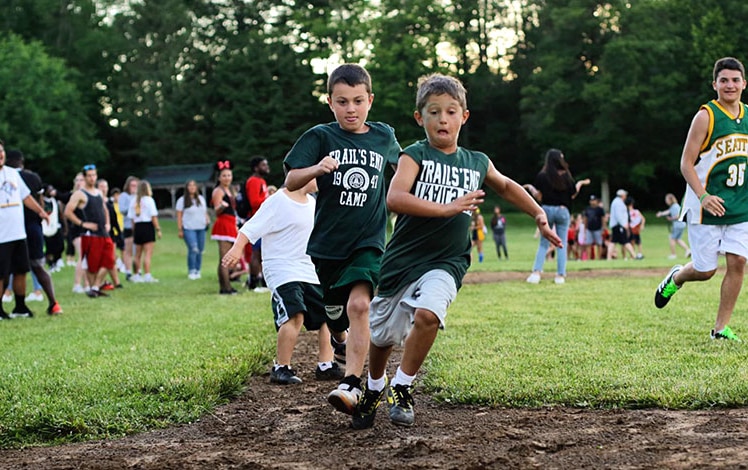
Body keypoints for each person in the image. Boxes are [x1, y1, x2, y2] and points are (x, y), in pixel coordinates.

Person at [352, 73, 562, 429]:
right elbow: (395, 197)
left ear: (464, 116)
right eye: (434, 112)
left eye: (451, 112)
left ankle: (402, 386)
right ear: (420, 118)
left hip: (447, 263)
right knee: (383, 336)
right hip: (402, 262)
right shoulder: (414, 155)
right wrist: (448, 208)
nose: (443, 119)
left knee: (429, 315)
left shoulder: (476, 161)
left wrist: (539, 214)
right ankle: (374, 386)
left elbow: (508, 186)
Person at [283, 63, 401, 415]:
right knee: (334, 313)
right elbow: (291, 180)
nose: (351, 109)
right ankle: (337, 335)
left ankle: (351, 382)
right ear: (330, 103)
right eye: (343, 101)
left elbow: (404, 171)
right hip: (327, 247)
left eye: (358, 101)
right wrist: (317, 168)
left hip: (369, 242)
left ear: (370, 100)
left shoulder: (383, 136)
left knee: (360, 306)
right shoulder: (320, 136)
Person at [655, 56, 748, 342]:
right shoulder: (706, 116)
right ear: (715, 84)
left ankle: (720, 330)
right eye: (724, 80)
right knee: (706, 270)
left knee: (738, 263)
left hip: (739, 206)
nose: (730, 85)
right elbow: (686, 163)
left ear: (744, 83)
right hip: (705, 206)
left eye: (735, 80)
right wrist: (704, 195)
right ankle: (676, 278)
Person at [222, 179, 346, 385]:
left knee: (328, 314)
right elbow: (249, 228)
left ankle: (326, 365)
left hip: (308, 269)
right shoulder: (277, 201)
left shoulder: (313, 203)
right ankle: (281, 368)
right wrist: (236, 249)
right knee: (295, 314)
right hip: (281, 268)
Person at [4, 150, 63, 315]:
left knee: (7, 270)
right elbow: (38, 200)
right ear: (22, 161)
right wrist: (42, 213)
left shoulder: (10, 176)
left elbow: (26, 197)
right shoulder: (33, 177)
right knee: (37, 266)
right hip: (33, 228)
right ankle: (53, 303)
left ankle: (9, 305)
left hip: (11, 229)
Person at [0, 140, 51, 319]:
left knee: (21, 270)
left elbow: (26, 196)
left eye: (2, 151)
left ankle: (20, 307)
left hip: (18, 233)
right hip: (1, 235)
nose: (0, 155)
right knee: (1, 274)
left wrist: (41, 211)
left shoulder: (13, 174)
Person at [524, 149, 589, 284]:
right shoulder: (566, 176)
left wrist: (530, 188)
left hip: (546, 211)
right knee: (561, 243)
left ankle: (536, 273)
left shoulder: (542, 176)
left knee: (544, 243)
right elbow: (572, 194)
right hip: (563, 210)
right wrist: (580, 184)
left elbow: (539, 196)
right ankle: (560, 276)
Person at [64, 164, 116, 298]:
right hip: (90, 234)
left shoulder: (99, 192)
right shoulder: (80, 194)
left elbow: (104, 208)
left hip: (103, 232)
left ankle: (95, 286)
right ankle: (93, 288)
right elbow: (68, 212)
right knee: (92, 265)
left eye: (94, 175)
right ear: (85, 177)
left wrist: (108, 223)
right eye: (89, 176)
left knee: (110, 260)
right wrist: (83, 224)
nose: (92, 178)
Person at [211, 160, 239, 295]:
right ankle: (225, 288)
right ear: (219, 178)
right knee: (224, 258)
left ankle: (226, 286)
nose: (227, 178)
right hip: (223, 224)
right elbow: (216, 210)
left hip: (231, 223)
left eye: (229, 175)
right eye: (224, 175)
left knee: (228, 257)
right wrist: (222, 206)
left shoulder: (230, 189)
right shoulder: (218, 191)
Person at [244, 156, 271, 291]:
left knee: (262, 252)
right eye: (263, 165)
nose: (266, 167)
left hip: (263, 220)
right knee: (256, 253)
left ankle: (263, 280)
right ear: (256, 168)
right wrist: (270, 200)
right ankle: (253, 281)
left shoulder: (261, 181)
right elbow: (254, 201)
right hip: (256, 219)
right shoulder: (254, 181)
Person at [128, 180, 161, 283]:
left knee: (137, 254)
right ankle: (147, 275)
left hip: (138, 227)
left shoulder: (134, 201)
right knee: (147, 253)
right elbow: (153, 217)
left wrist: (134, 231)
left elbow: (132, 218)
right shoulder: (149, 200)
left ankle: (137, 275)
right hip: (147, 226)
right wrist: (158, 229)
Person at [176, 180, 210, 280]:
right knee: (193, 249)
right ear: (186, 188)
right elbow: (179, 216)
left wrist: (207, 219)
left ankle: (197, 270)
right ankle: (191, 270)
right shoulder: (182, 200)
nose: (192, 187)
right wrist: (180, 229)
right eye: (190, 185)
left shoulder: (201, 199)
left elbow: (204, 212)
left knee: (200, 250)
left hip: (201, 228)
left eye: (193, 185)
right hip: (188, 228)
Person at [97, 179, 123, 289]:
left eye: (105, 186)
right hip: (98, 234)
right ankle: (97, 283)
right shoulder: (95, 201)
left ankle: (116, 282)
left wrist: (119, 234)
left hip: (111, 235)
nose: (104, 188)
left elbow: (114, 220)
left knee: (110, 259)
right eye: (101, 186)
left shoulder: (109, 203)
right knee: (107, 260)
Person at [656, 193, 690, 259]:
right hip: (681, 225)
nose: (666, 201)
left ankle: (673, 254)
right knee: (677, 239)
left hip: (678, 225)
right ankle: (687, 250)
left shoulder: (674, 206)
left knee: (672, 239)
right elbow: (668, 211)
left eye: (667, 199)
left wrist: (671, 219)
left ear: (670, 200)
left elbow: (678, 215)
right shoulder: (675, 206)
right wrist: (661, 213)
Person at [607, 189, 637, 260]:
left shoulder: (617, 202)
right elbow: (619, 215)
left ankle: (609, 257)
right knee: (625, 241)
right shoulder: (618, 203)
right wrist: (624, 224)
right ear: (622, 195)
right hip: (619, 225)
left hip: (617, 225)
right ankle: (634, 255)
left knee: (613, 241)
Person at [119, 176, 139, 281]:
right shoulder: (124, 196)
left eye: (136, 185)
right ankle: (128, 271)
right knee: (128, 250)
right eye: (132, 185)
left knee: (138, 250)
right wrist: (133, 208)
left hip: (139, 226)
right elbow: (122, 210)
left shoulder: (139, 196)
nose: (134, 187)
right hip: (128, 226)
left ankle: (138, 271)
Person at [582, 195, 606, 260]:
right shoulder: (587, 209)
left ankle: (599, 258)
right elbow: (585, 219)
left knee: (599, 243)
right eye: (591, 200)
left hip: (598, 229)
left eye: (594, 200)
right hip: (589, 229)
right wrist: (585, 229)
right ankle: (589, 258)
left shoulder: (600, 209)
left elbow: (603, 219)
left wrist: (603, 228)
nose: (593, 202)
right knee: (588, 244)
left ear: (596, 201)